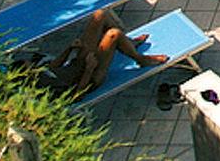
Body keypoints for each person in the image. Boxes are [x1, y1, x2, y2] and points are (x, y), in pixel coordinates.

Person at [34, 7, 167, 97]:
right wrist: (89, 69)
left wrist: (70, 48)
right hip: (91, 77)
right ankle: (140, 59)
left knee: (99, 15)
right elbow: (78, 94)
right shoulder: (42, 91)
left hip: (78, 62)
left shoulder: (34, 72)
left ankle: (127, 43)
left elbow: (53, 66)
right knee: (113, 35)